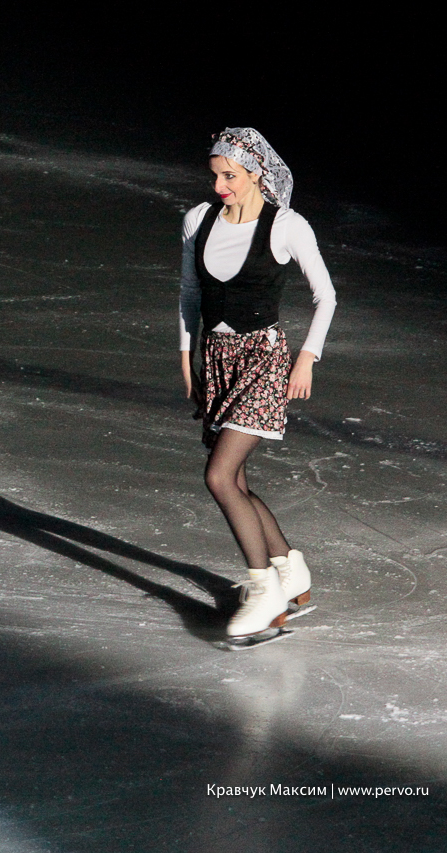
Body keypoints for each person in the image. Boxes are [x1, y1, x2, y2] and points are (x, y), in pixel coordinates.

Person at [178, 127, 337, 644]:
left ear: (255, 173)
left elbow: (327, 296)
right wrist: (186, 358)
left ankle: (264, 590)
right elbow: (189, 292)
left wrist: (306, 359)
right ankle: (291, 570)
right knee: (238, 480)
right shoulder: (199, 220)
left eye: (230, 176)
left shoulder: (286, 226)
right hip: (217, 360)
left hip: (264, 361)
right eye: (215, 176)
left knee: (219, 477)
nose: (219, 186)